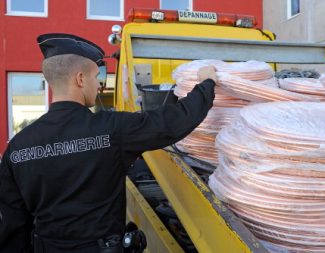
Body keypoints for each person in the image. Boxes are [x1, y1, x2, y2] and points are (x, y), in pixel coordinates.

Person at [0, 33, 217, 253]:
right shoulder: (111, 130)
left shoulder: (17, 148)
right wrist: (207, 84)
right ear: (80, 79)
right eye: (97, 77)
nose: (100, 86)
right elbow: (172, 122)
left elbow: (13, 227)